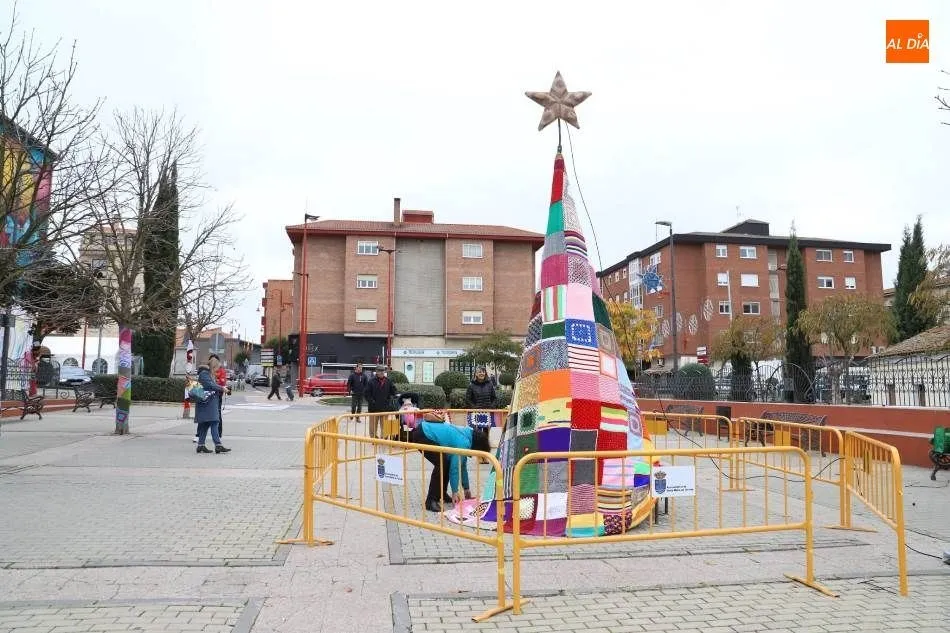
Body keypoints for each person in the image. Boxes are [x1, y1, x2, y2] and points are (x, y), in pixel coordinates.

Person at [409, 421, 491, 512]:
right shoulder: (463, 444)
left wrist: (466, 488)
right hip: (424, 434)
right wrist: (455, 492)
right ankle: (430, 500)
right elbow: (455, 468)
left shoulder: (467, 436)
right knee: (441, 463)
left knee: (446, 462)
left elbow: (462, 466)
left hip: (424, 430)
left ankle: (441, 493)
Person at [194, 361, 230, 454]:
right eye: (217, 369)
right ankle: (218, 445)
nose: (218, 371)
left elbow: (211, 385)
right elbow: (210, 385)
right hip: (207, 404)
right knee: (214, 422)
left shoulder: (208, 374)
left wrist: (222, 387)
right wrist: (222, 388)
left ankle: (201, 445)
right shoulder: (204, 374)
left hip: (208, 404)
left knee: (205, 425)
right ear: (213, 367)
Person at [364, 366, 396, 438]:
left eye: (383, 371)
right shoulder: (371, 381)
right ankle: (373, 438)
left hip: (385, 407)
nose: (381, 372)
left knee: (384, 424)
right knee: (373, 425)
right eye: (380, 371)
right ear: (376, 371)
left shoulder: (388, 381)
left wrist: (392, 396)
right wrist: (372, 401)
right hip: (374, 408)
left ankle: (383, 437)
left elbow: (393, 391)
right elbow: (366, 394)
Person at [209, 354, 228, 438]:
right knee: (206, 414)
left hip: (217, 395)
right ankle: (200, 434)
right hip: (208, 395)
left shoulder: (221, 370)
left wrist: (214, 381)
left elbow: (222, 382)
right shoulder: (207, 370)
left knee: (217, 414)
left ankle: (218, 434)